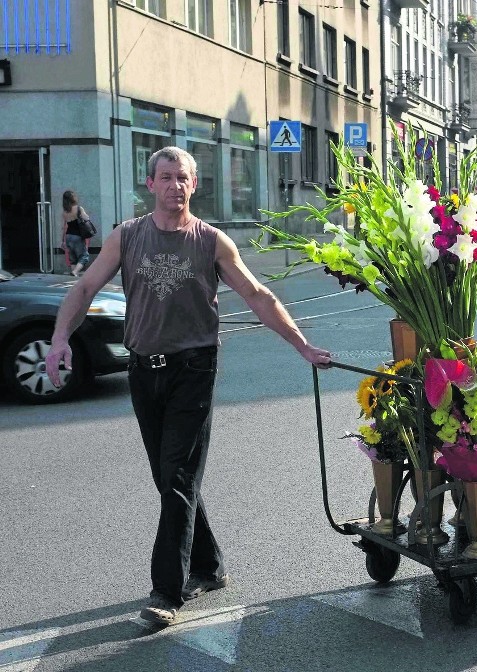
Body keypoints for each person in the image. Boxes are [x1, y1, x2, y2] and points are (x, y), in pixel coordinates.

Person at [45, 147, 331, 627]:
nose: (174, 185)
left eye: (183, 177)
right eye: (165, 177)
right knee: (169, 476)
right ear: (150, 184)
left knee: (178, 475)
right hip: (142, 370)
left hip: (193, 369)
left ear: (194, 185)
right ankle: (209, 566)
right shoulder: (127, 236)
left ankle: (166, 591)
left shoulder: (212, 241)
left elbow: (257, 295)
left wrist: (301, 346)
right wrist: (58, 339)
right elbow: (84, 288)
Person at [60, 190, 91, 277]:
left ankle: (73, 279)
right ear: (72, 198)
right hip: (77, 236)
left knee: (72, 258)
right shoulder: (78, 208)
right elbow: (86, 218)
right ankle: (75, 272)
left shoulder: (64, 212)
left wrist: (63, 241)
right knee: (84, 257)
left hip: (68, 236)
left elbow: (64, 227)